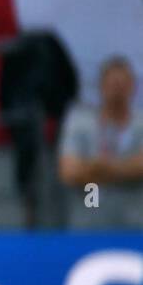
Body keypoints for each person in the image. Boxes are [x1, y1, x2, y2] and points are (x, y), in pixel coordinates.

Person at [58, 57, 143, 229]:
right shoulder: (79, 122)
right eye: (113, 84)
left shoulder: (140, 123)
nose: (117, 90)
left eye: (122, 84)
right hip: (89, 224)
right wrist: (126, 170)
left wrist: (102, 168)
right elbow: (68, 172)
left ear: (133, 86)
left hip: (136, 226)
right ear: (101, 86)